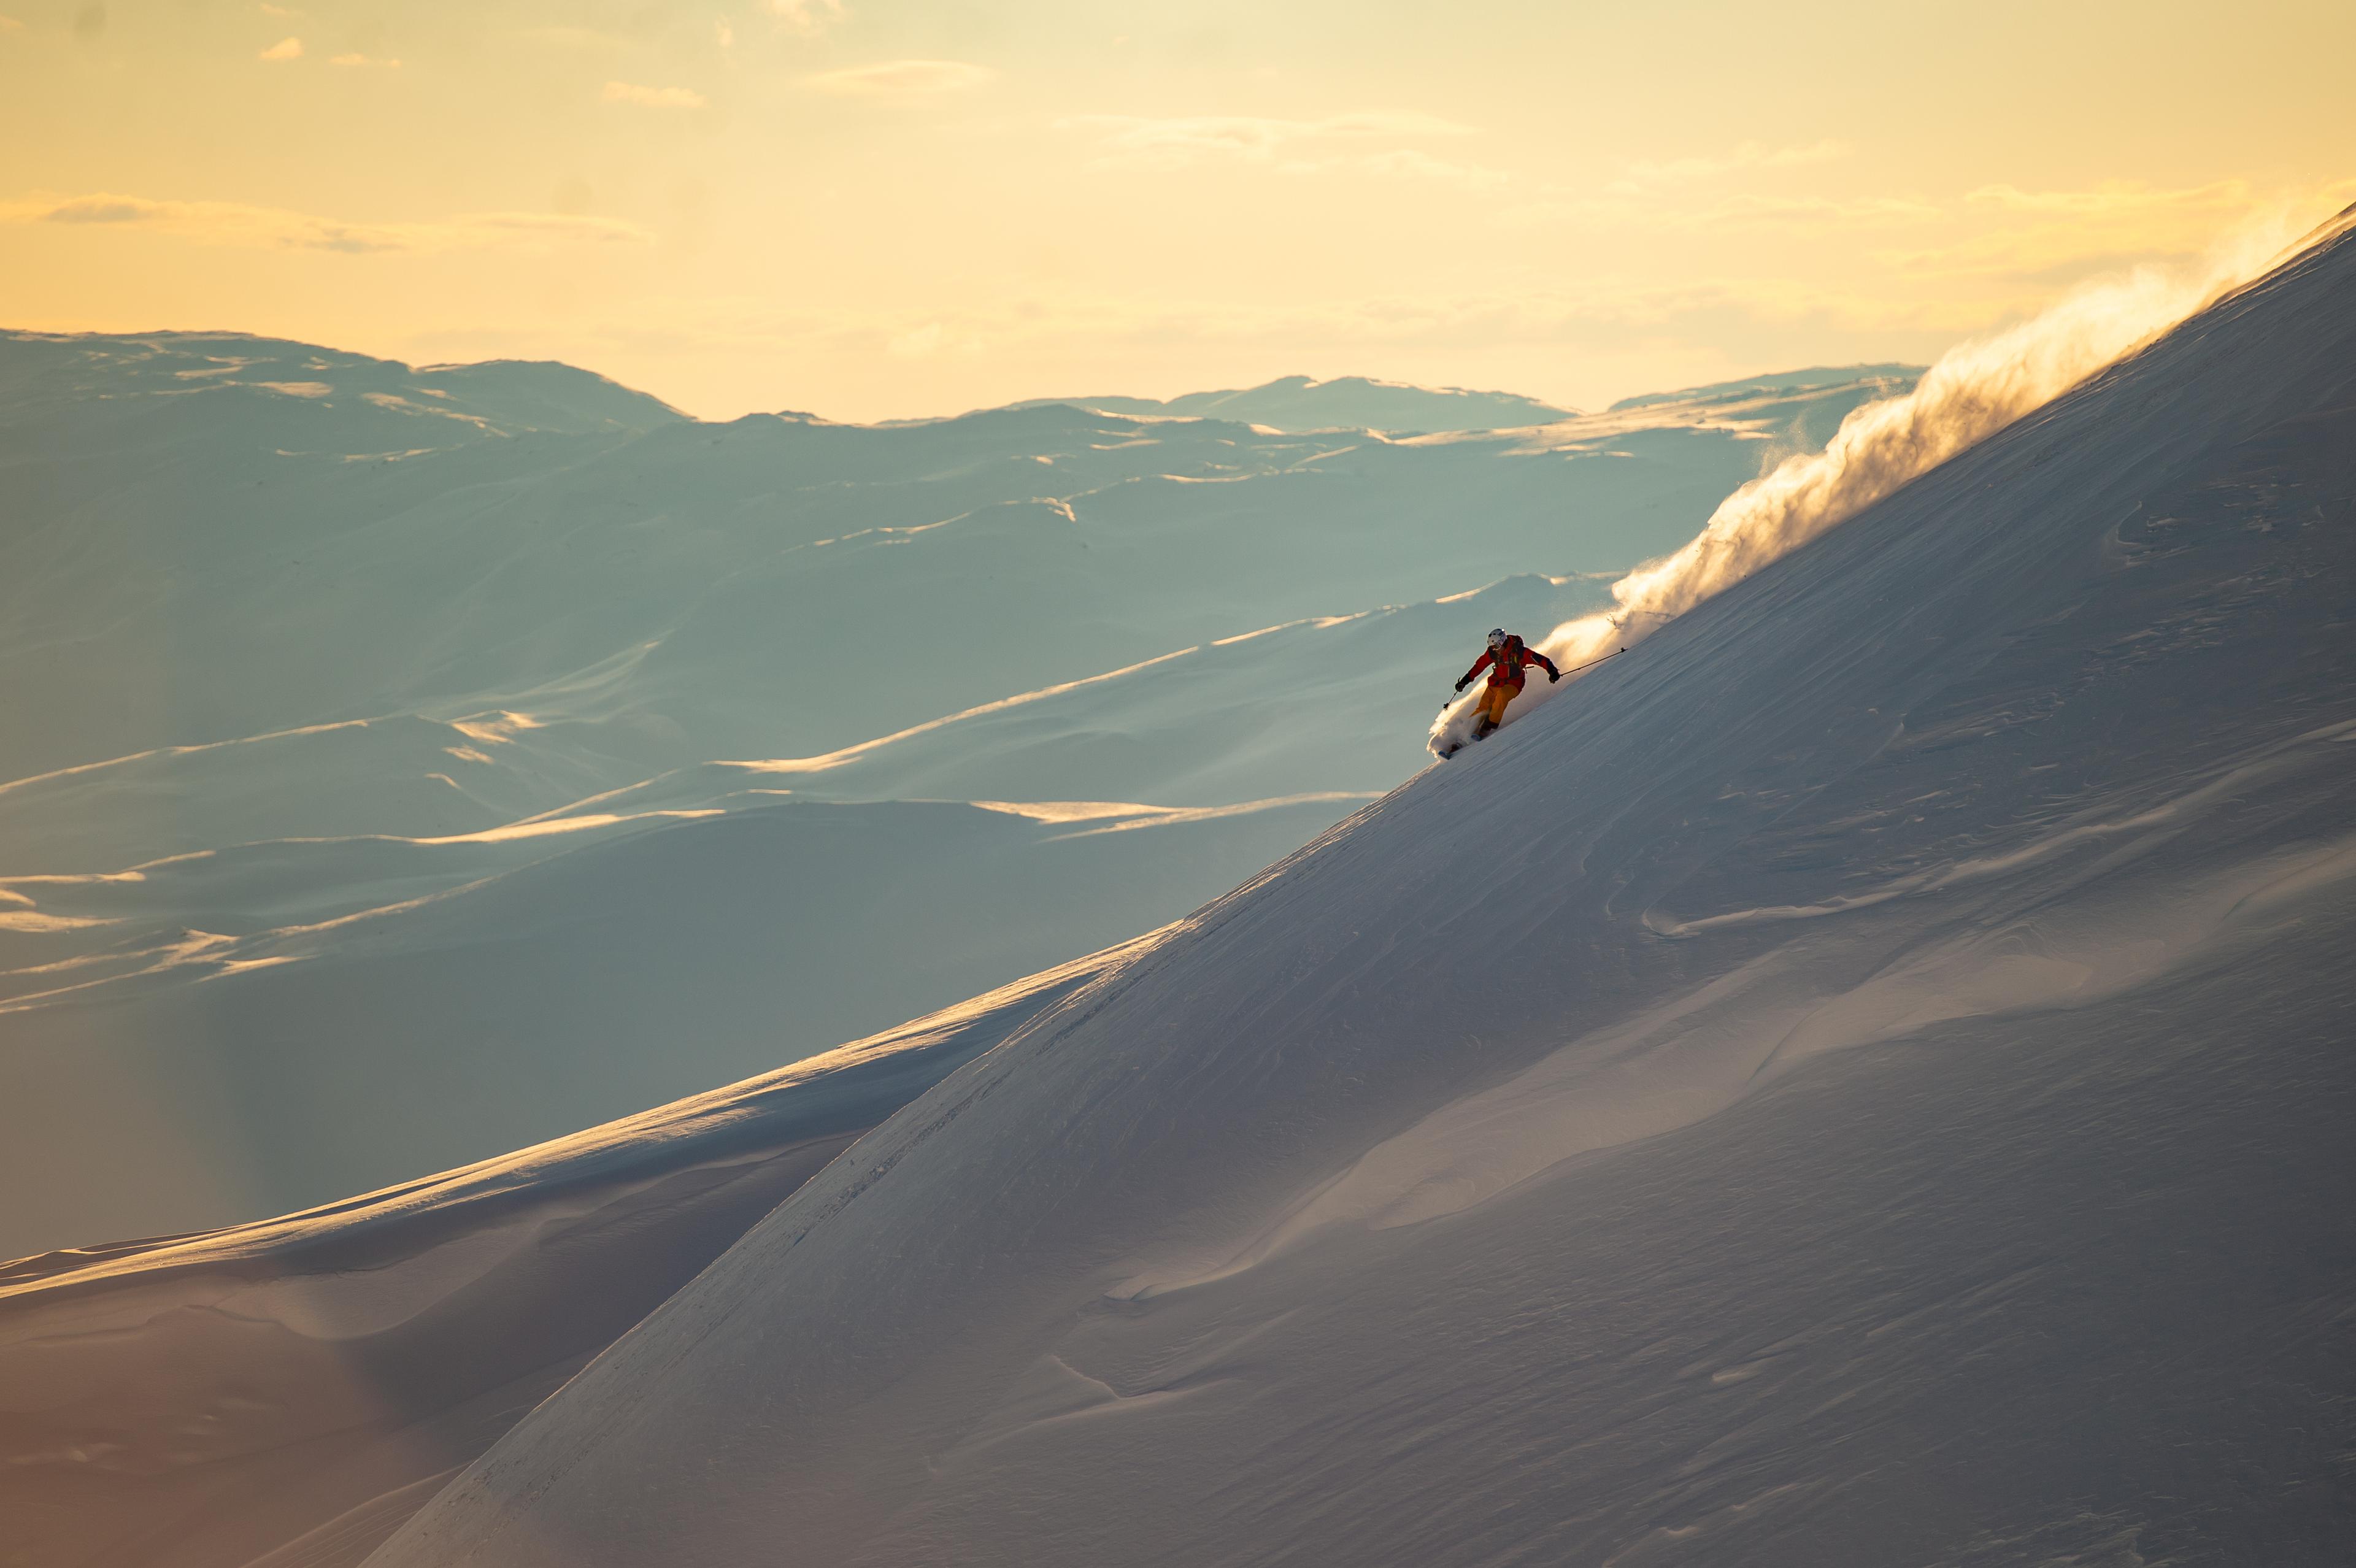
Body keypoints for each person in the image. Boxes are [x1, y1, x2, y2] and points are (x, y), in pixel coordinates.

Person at [1453, 627, 1560, 740]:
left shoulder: (1519, 652)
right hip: (1496, 682)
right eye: (1493, 648)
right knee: (1483, 706)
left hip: (1514, 684)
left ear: (1502, 642)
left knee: (1502, 696)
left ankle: (1486, 728)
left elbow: (1541, 660)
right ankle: (1463, 735)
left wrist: (1552, 671)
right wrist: (1465, 681)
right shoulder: (1493, 653)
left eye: (1497, 647)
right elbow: (1479, 666)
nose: (1496, 650)